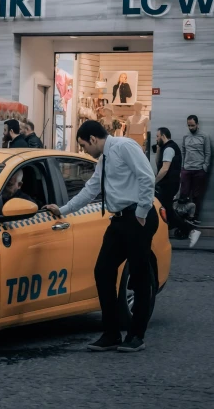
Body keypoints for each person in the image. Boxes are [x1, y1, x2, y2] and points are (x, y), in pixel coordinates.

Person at [45, 120, 158, 353]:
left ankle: (137, 336)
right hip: (118, 220)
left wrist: (141, 212)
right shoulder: (104, 159)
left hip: (137, 217)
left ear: (93, 139)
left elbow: (147, 176)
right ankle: (111, 333)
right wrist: (63, 210)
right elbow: (90, 189)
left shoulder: (124, 147)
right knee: (103, 271)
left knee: (139, 276)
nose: (84, 150)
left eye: (83, 145)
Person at [154, 128, 199, 247]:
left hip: (169, 184)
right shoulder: (165, 148)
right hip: (167, 184)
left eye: (157, 136)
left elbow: (164, 168)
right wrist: (158, 149)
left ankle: (190, 230)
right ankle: (175, 227)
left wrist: (154, 181)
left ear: (163, 136)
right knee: (165, 208)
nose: (156, 139)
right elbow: (158, 163)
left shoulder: (169, 148)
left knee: (166, 209)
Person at [181, 115, 211, 220]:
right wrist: (183, 167)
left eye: (192, 125)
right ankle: (183, 218)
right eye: (189, 125)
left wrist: (204, 167)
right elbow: (183, 151)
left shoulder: (204, 136)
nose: (190, 128)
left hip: (199, 170)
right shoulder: (185, 136)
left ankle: (194, 218)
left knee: (196, 196)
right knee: (184, 194)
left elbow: (208, 153)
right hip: (186, 169)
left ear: (197, 125)